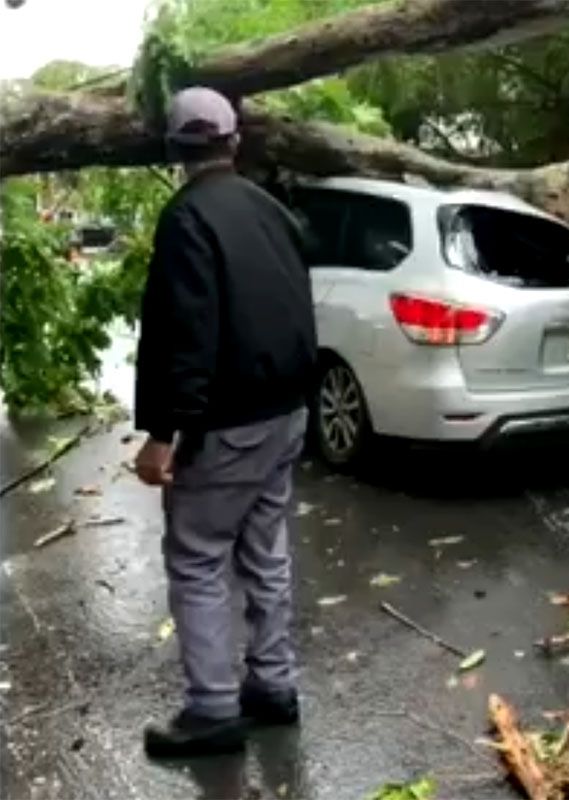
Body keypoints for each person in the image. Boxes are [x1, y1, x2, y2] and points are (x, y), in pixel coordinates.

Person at [133, 86, 317, 758]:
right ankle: (273, 687)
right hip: (286, 413)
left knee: (198, 556)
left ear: (175, 150)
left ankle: (211, 711)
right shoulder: (271, 209)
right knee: (264, 549)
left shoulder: (186, 218)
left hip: (231, 423)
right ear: (233, 141)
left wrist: (161, 433)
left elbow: (187, 334)